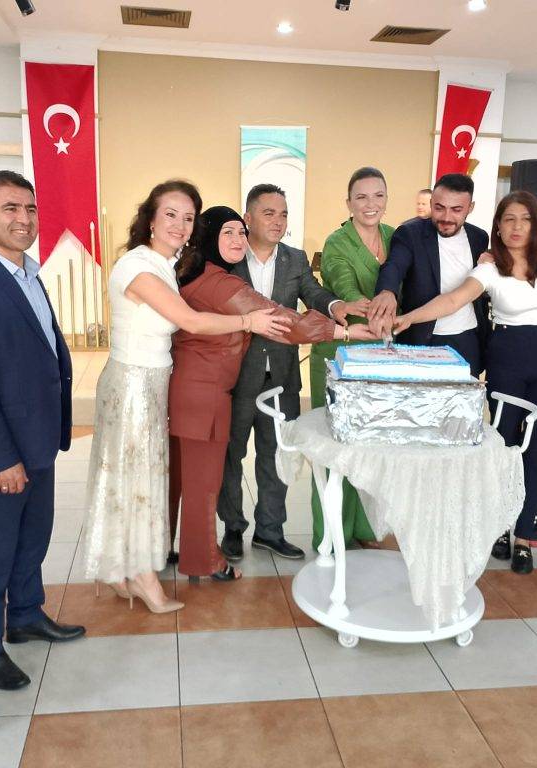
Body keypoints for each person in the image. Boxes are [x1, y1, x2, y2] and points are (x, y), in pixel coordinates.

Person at [79, 181, 290, 612]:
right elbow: (190, 321)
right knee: (137, 480)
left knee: (142, 480)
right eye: (170, 214)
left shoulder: (168, 265)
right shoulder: (138, 265)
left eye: (188, 217)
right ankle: (143, 579)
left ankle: (124, 571)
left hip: (155, 382)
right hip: (133, 385)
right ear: (150, 219)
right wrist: (247, 321)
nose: (179, 224)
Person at [169, 206, 374, 581]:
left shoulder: (202, 270)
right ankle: (210, 552)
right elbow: (276, 318)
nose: (238, 239)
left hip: (230, 383)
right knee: (209, 477)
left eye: (239, 233)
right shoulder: (218, 280)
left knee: (226, 469)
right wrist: (341, 332)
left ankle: (241, 538)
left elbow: (309, 293)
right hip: (209, 390)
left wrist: (336, 310)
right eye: (228, 232)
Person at [392, 190, 537, 574]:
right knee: (503, 447)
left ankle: (524, 535)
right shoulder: (491, 266)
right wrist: (408, 318)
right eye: (508, 219)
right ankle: (499, 527)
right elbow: (451, 300)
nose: (516, 227)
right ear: (498, 226)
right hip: (507, 358)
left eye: (524, 219)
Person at [0, 171, 84, 694]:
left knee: (34, 536)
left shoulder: (28, 272)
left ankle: (25, 615)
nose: (24, 219)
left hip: (37, 437)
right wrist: (2, 457)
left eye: (30, 208)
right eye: (10, 209)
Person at [217, 184, 364, 563]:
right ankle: (232, 528)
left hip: (282, 376)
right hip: (236, 376)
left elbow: (313, 293)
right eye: (269, 213)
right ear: (247, 218)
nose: (278, 221)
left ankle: (270, 531)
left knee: (277, 454)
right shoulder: (229, 258)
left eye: (283, 214)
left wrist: (335, 305)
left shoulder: (294, 259)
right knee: (231, 455)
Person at [308, 167, 394, 550]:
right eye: (361, 197)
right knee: (335, 449)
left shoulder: (395, 236)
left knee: (370, 448)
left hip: (380, 355)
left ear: (386, 199)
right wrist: (359, 302)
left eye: (378, 195)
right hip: (339, 354)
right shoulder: (337, 242)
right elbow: (342, 282)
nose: (370, 204)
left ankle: (363, 528)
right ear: (349, 203)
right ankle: (332, 536)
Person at [368, 173, 491, 377]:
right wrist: (387, 291)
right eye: (439, 208)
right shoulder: (410, 233)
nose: (446, 217)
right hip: (422, 338)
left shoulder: (479, 237)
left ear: (470, 208)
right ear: (432, 203)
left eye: (457, 210)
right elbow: (394, 265)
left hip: (467, 339)